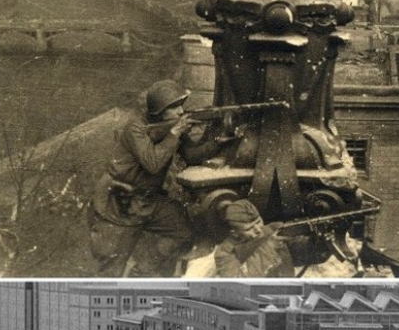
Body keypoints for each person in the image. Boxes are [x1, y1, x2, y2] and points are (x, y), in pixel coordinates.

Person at [88, 80, 198, 277]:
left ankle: (142, 272)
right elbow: (152, 163)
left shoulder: (170, 130)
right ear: (159, 111)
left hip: (148, 201)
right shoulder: (135, 129)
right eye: (174, 108)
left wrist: (221, 139)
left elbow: (193, 156)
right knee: (110, 270)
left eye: (182, 105)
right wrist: (174, 134)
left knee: (182, 232)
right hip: (119, 204)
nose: (181, 112)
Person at [213, 199, 294, 278]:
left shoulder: (270, 230)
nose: (258, 229)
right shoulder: (225, 253)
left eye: (258, 222)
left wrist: (303, 241)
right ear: (234, 233)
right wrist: (269, 248)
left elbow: (296, 251)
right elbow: (237, 282)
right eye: (249, 228)